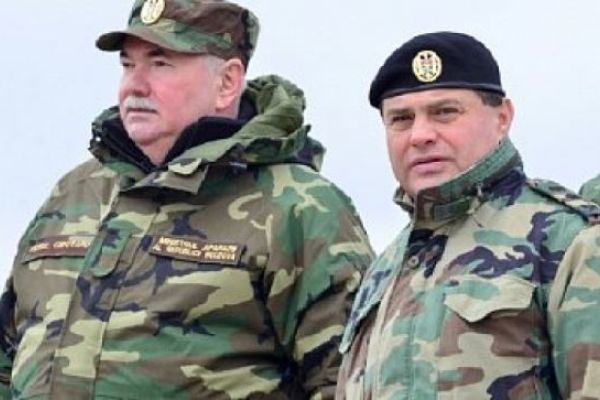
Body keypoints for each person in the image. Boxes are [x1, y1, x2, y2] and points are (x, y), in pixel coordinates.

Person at [0, 0, 374, 398]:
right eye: (128, 65)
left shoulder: (299, 206)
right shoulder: (76, 191)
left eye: (160, 64)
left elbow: (348, 382)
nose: (134, 86)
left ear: (227, 82)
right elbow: (8, 354)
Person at [336, 31, 600, 399]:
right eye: (401, 119)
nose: (420, 135)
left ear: (502, 117)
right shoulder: (383, 272)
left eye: (445, 112)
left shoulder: (569, 240)